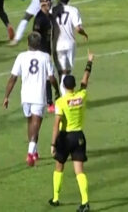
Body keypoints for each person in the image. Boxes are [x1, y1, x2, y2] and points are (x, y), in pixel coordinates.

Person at [3, 32, 58, 167]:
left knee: (30, 123)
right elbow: (51, 77)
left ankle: (34, 151)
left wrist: (6, 96)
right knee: (36, 124)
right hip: (38, 95)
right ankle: (30, 154)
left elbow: (13, 78)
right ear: (39, 44)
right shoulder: (45, 57)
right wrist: (57, 90)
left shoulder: (21, 56)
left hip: (25, 96)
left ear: (28, 43)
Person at [49, 51, 95, 212]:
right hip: (79, 137)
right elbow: (85, 80)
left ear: (63, 86)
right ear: (74, 86)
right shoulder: (82, 96)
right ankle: (85, 201)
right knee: (79, 171)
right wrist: (89, 62)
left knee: (59, 167)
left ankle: (55, 198)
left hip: (65, 137)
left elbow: (56, 124)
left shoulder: (61, 102)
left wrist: (53, 144)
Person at [53, 0, 88, 96]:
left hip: (57, 45)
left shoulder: (53, 10)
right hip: (69, 44)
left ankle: (64, 97)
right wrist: (84, 34)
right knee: (68, 72)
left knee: (62, 72)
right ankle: (67, 97)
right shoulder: (73, 10)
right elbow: (78, 29)